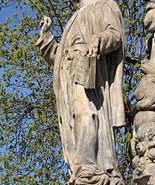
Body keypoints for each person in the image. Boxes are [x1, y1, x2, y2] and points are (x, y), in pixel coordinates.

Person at [36, 0, 125, 175]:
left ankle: (88, 163)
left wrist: (99, 39)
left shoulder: (104, 5)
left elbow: (115, 36)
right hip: (67, 72)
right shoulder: (76, 16)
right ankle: (79, 167)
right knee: (72, 119)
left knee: (86, 111)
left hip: (87, 64)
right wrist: (46, 36)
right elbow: (58, 55)